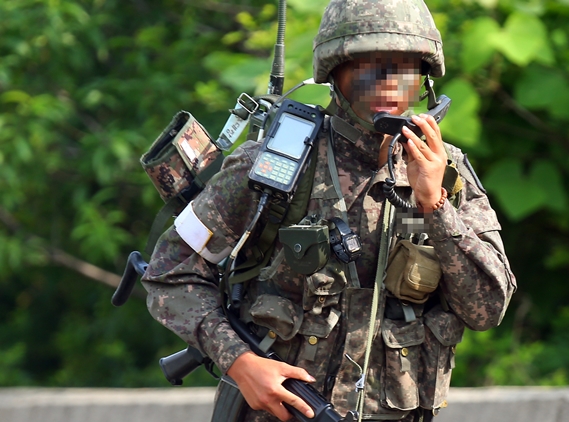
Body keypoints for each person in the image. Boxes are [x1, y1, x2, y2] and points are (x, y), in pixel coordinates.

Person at [141, 0, 516, 421]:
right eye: (369, 67)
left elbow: (487, 307)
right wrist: (239, 362)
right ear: (335, 73)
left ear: (424, 79)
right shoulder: (274, 165)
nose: (388, 83)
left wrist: (435, 205)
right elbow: (170, 273)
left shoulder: (446, 173)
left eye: (405, 68)